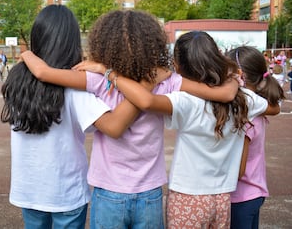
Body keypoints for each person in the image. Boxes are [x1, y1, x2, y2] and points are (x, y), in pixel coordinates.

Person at [21, 10, 239, 229]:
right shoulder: (164, 79)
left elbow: (42, 73)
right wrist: (235, 80)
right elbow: (225, 95)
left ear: (104, 45)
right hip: (149, 192)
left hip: (108, 190)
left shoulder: (98, 80)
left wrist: (27, 54)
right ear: (152, 45)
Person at [83, 31, 279, 228]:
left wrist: (109, 73)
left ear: (177, 66)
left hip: (188, 197)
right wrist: (234, 82)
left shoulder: (185, 101)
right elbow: (273, 108)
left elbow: (146, 100)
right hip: (222, 197)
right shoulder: (244, 98)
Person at [0, 5, 142, 229]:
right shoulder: (74, 88)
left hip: (28, 187)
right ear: (71, 43)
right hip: (66, 190)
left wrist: (26, 54)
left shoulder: (17, 81)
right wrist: (144, 90)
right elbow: (115, 126)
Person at [227, 46, 285, 229]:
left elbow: (239, 169)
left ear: (239, 75)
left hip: (241, 197)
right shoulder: (256, 108)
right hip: (254, 192)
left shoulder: (246, 115)